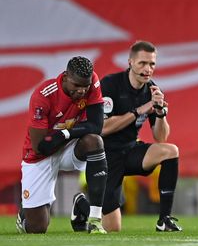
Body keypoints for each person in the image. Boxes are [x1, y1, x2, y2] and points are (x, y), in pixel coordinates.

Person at [70, 41, 182, 232]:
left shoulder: (152, 90)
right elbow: (102, 128)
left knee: (170, 151)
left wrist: (161, 113)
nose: (148, 69)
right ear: (130, 62)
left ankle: (164, 220)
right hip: (105, 156)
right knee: (112, 229)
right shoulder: (110, 84)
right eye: (142, 63)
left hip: (130, 150)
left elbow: (160, 137)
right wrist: (139, 111)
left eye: (152, 64)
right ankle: (81, 205)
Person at [16, 56, 108, 234]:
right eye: (76, 86)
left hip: (67, 145)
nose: (82, 91)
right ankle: (25, 214)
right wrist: (61, 136)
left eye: (85, 86)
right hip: (39, 156)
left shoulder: (92, 82)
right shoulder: (43, 95)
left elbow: (96, 126)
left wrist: (65, 133)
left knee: (94, 141)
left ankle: (95, 219)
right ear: (65, 77)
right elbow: (40, 147)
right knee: (37, 228)